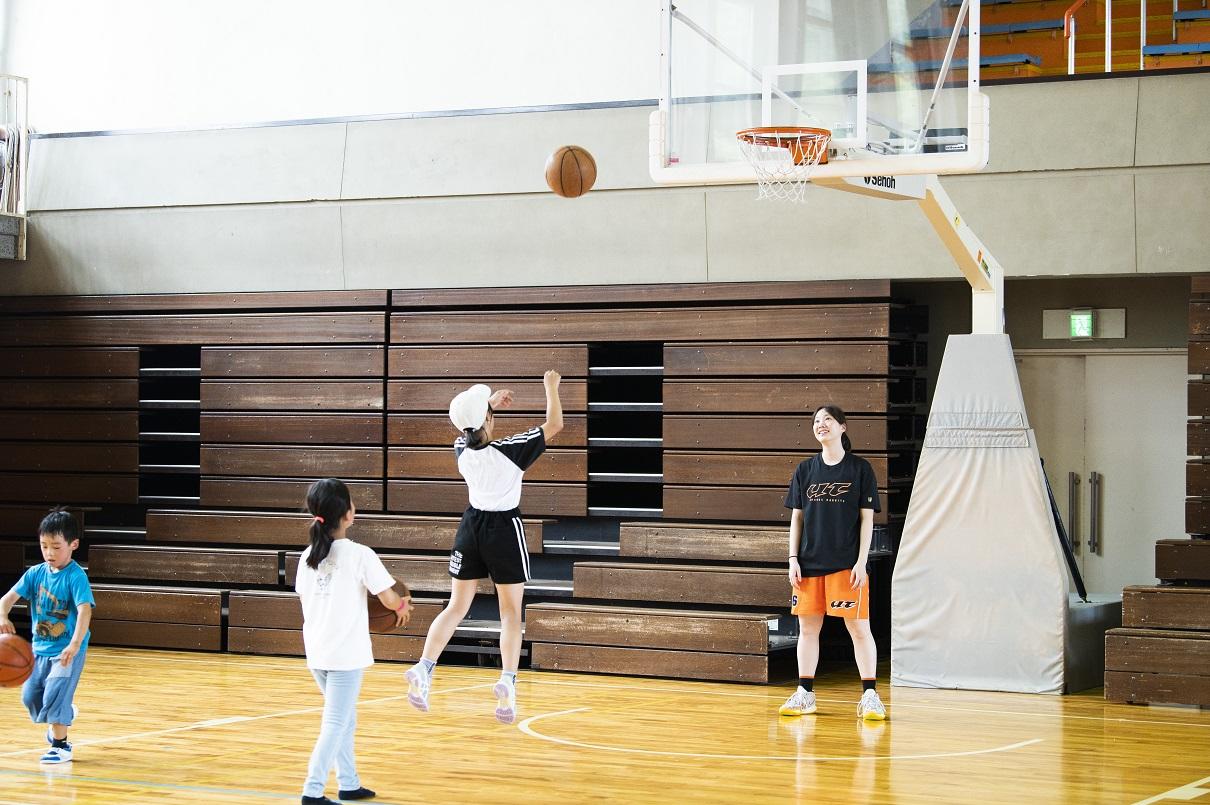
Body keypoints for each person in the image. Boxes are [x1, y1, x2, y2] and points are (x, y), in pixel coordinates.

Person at [405, 369, 563, 724]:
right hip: (504, 530)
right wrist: (550, 388)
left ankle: (424, 667)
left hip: (471, 528)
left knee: (456, 607)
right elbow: (554, 424)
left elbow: (471, 429)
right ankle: (507, 680)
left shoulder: (461, 450)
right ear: (488, 419)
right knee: (510, 612)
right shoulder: (512, 452)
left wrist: (488, 406)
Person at [296, 478, 413, 805]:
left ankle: (348, 783)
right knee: (336, 722)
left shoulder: (307, 556)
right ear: (348, 513)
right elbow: (388, 598)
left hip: (317, 651)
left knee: (344, 719)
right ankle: (312, 791)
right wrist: (402, 607)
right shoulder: (360, 554)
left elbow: (305, 599)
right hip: (345, 654)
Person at [779, 405, 887, 721]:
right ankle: (805, 693)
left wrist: (861, 561)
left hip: (846, 565)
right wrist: (793, 558)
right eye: (816, 420)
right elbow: (797, 519)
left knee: (859, 628)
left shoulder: (860, 469)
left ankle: (870, 695)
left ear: (842, 427)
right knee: (807, 629)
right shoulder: (805, 470)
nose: (821, 424)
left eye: (828, 419)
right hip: (809, 565)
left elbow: (867, 521)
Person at [0, 507, 95, 764]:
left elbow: (84, 611)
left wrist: (75, 644)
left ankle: (61, 746)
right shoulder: (35, 574)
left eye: (56, 547)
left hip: (67, 651)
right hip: (38, 649)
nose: (49, 553)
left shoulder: (76, 576)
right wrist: (3, 616)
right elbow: (5, 600)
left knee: (55, 694)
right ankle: (65, 714)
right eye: (44, 546)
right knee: (30, 696)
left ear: (73, 544)